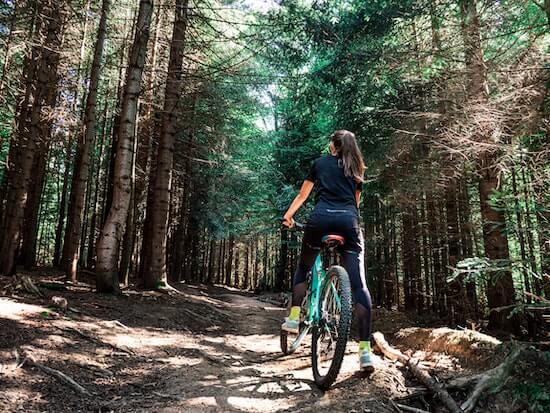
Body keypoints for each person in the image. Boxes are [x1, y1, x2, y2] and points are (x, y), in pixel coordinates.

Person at [281, 130, 374, 373]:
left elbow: (304, 195)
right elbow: (356, 202)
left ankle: (293, 317)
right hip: (348, 223)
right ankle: (365, 352)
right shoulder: (357, 167)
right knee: (359, 285)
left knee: (304, 267)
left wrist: (289, 216)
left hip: (320, 220)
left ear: (333, 146)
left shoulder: (319, 164)